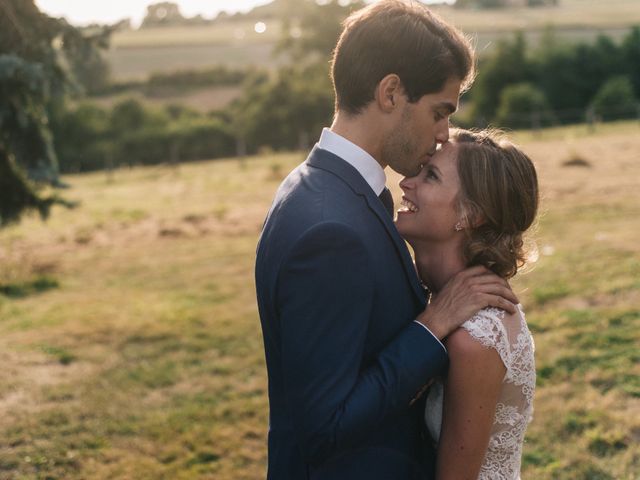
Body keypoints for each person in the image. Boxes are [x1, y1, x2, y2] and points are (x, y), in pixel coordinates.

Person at [255, 2, 518, 479]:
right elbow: (324, 428)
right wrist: (431, 324)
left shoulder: (335, 189)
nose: (443, 136)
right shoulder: (330, 229)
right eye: (440, 112)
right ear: (391, 92)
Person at [396, 128, 538, 480]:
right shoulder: (437, 295)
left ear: (470, 215)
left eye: (430, 175)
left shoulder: (476, 337)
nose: (405, 182)